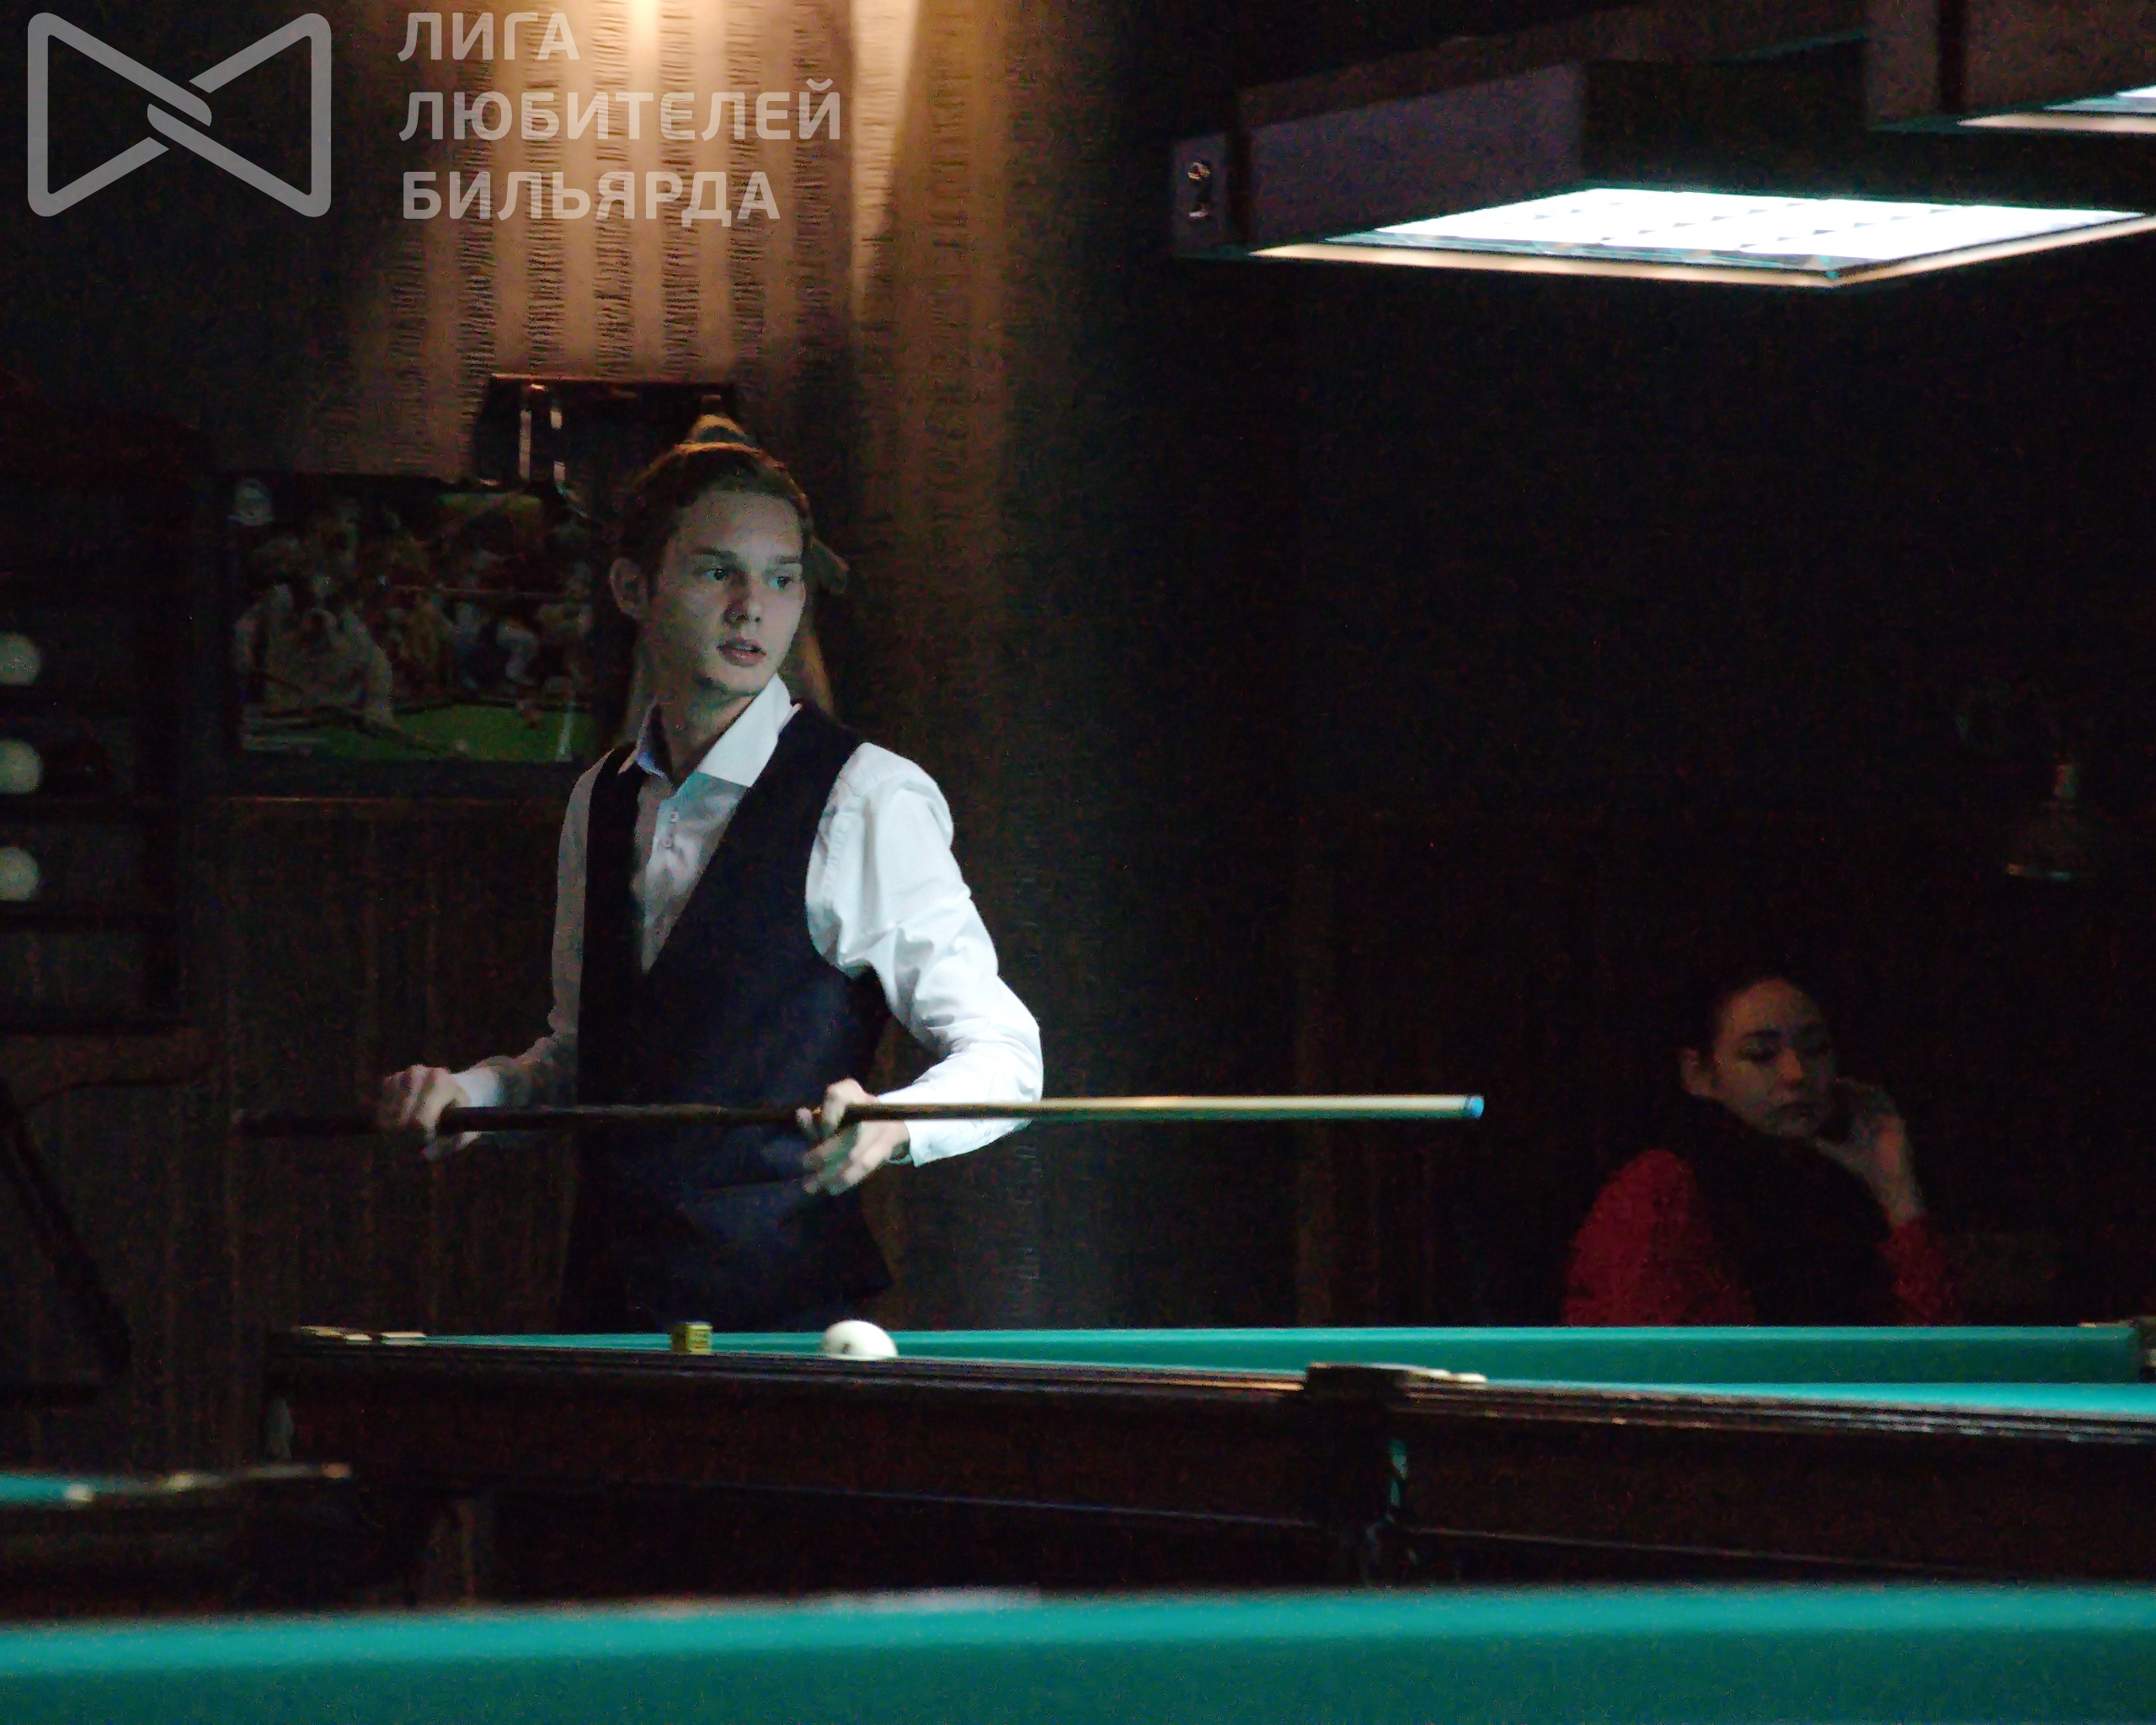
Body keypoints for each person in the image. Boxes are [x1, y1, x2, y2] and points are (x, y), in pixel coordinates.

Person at [377, 436, 1043, 1332]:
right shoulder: (601, 798)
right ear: (631, 588)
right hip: (604, 1316)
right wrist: (475, 1094)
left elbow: (1009, 1055)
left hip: (784, 1327)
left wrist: (895, 1121)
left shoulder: (866, 796)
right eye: (717, 571)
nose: (751, 607)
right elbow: (586, 1051)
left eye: (781, 578)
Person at [1563, 961, 1961, 1325]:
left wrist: (1898, 1193)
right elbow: (1650, 1362)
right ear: (1699, 1074)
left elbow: (1939, 1357)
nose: (1796, 1073)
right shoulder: (1662, 1190)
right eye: (1761, 1054)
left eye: (1816, 1048)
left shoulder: (1841, 1187)